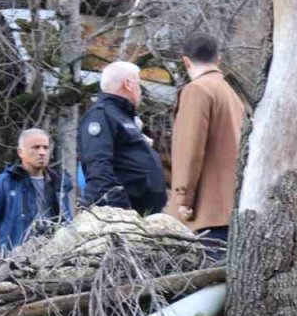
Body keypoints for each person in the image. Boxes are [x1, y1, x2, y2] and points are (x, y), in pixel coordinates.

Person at [167, 34, 244, 247]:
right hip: (232, 207)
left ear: (185, 61)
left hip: (205, 212)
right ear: (218, 59)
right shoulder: (232, 93)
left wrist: (184, 199)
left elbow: (189, 149)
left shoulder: (197, 90)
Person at [80, 61, 167, 214]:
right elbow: (98, 164)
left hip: (142, 212)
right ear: (128, 84)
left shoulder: (122, 116)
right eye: (139, 84)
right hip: (120, 214)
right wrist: (119, 206)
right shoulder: (101, 114)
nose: (140, 91)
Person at [0, 128, 70, 254]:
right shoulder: (5, 183)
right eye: (36, 147)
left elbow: (66, 219)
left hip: (53, 255)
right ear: (20, 152)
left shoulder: (58, 182)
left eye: (45, 147)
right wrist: (2, 249)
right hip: (15, 257)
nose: (42, 152)